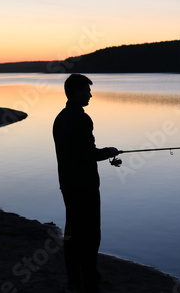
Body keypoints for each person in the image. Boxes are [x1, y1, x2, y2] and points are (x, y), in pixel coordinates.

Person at [53, 74, 119, 293]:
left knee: (72, 232)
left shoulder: (60, 118)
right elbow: (87, 153)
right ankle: (90, 279)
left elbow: (75, 152)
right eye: (87, 90)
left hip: (67, 184)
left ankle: (75, 279)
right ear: (76, 92)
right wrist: (109, 152)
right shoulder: (81, 119)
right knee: (91, 234)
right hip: (85, 186)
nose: (90, 94)